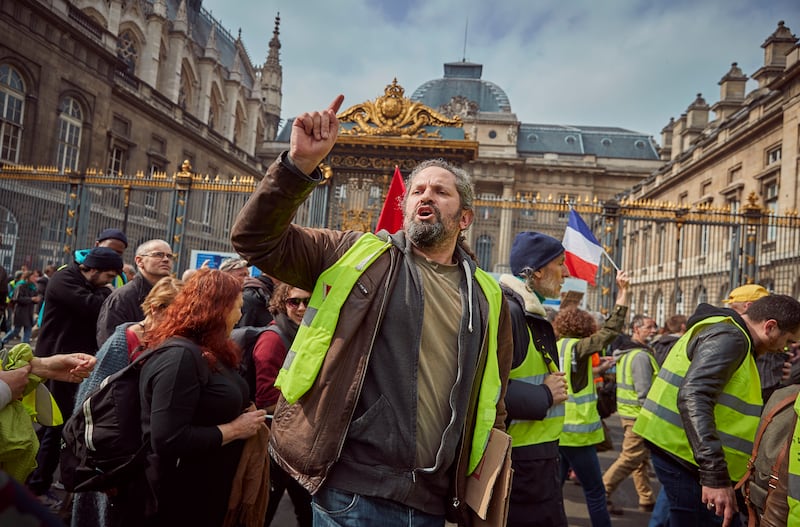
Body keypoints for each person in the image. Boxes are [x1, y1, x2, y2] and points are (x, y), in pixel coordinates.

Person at [230, 94, 513, 526]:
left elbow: (492, 393)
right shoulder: (354, 253)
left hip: (435, 498)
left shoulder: (487, 294)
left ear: (465, 217)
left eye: (441, 191)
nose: (427, 195)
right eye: (418, 189)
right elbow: (255, 240)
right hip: (355, 489)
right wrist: (296, 167)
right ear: (404, 208)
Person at [634, 294, 800, 527]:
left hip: (683, 453)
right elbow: (694, 395)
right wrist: (714, 477)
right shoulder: (732, 338)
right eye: (788, 340)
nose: (786, 348)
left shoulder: (729, 334)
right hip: (686, 457)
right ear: (770, 326)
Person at [128, 268, 267, 527]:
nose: (240, 316)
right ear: (219, 310)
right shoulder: (179, 357)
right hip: (179, 495)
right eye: (238, 307)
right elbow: (167, 438)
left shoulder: (207, 351)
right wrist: (235, 429)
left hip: (206, 489)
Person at [71, 276, 184, 527]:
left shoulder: (169, 342)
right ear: (155, 308)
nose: (182, 322)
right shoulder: (123, 341)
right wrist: (102, 468)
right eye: (177, 314)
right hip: (114, 456)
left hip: (142, 454)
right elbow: (89, 402)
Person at [27, 246, 123, 508]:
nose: (109, 282)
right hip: (55, 362)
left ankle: (37, 479)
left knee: (56, 424)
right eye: (107, 276)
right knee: (54, 424)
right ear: (92, 269)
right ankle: (36, 486)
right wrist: (112, 297)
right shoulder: (64, 279)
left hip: (76, 365)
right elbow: (95, 306)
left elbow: (101, 300)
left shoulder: (94, 286)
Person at [498, 231, 571, 527]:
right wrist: (544, 395)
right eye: (561, 264)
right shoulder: (513, 312)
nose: (566, 272)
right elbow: (487, 386)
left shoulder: (528, 312)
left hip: (537, 457)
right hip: (522, 460)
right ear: (537, 270)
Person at [553, 276, 629, 527]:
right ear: (584, 326)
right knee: (595, 493)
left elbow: (572, 377)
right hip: (579, 432)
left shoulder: (557, 346)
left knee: (554, 492)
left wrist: (596, 371)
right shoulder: (580, 347)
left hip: (557, 428)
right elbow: (610, 331)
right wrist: (622, 295)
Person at [253, 283, 313, 527]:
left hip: (297, 441)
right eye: (294, 302)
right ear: (281, 303)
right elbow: (266, 399)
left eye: (308, 302)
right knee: (264, 511)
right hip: (273, 442)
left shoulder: (305, 334)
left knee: (307, 509)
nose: (301, 308)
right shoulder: (273, 338)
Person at [603, 315, 659, 515]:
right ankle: (603, 492)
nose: (653, 330)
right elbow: (644, 392)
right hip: (639, 415)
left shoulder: (629, 353)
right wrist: (653, 418)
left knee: (639, 460)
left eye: (655, 326)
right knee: (630, 458)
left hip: (629, 413)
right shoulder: (641, 356)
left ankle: (646, 498)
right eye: (649, 327)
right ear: (636, 329)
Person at [96, 239, 175, 347]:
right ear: (139, 261)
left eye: (169, 256)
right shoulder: (122, 298)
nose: (166, 259)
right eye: (158, 255)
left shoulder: (173, 295)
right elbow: (109, 344)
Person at [1, 271, 41, 346]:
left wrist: (36, 299)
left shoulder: (33, 287)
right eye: (34, 277)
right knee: (16, 330)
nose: (36, 278)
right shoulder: (20, 285)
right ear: (28, 277)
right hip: (21, 311)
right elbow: (17, 298)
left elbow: (35, 297)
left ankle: (24, 346)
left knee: (28, 329)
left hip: (28, 312)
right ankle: (3, 341)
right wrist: (31, 299)